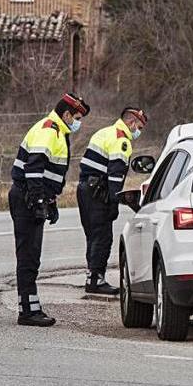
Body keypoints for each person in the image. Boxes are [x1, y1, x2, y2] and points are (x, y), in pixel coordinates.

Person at [9, 92, 90, 327]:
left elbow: (47, 173)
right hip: (26, 197)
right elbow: (34, 167)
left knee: (32, 256)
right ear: (66, 114)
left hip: (32, 197)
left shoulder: (57, 130)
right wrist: (37, 201)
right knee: (28, 256)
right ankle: (27, 311)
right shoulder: (49, 130)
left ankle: (31, 306)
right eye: (76, 117)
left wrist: (50, 201)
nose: (78, 122)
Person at [76, 107, 147, 295]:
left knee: (92, 236)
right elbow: (116, 176)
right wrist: (115, 202)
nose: (138, 131)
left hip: (85, 189)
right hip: (99, 193)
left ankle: (92, 277)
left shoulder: (105, 132)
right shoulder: (121, 140)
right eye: (138, 126)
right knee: (102, 237)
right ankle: (96, 281)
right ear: (131, 122)